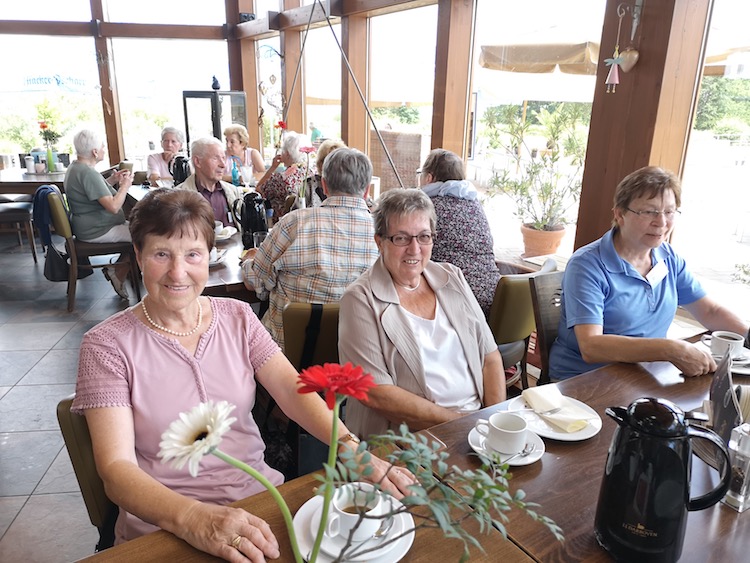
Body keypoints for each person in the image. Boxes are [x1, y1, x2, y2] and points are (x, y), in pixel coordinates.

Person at [71, 189, 413, 559]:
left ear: (209, 256)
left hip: (258, 502)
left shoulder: (237, 316)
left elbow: (291, 390)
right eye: (161, 254)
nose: (178, 272)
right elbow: (116, 469)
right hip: (164, 525)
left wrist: (351, 448)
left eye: (192, 254)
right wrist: (194, 519)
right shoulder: (105, 345)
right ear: (138, 256)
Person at [550, 166, 750, 380]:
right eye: (649, 212)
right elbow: (591, 346)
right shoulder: (587, 265)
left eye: (669, 212)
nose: (661, 222)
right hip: (585, 380)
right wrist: (670, 349)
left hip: (645, 375)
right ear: (620, 214)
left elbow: (709, 311)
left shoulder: (668, 257)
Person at [338, 189, 506, 440]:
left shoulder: (452, 278)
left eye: (424, 237)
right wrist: (463, 426)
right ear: (379, 242)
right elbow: (377, 393)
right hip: (408, 441)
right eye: (401, 238)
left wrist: (494, 422)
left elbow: (489, 358)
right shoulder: (360, 299)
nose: (414, 249)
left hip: (477, 427)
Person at [243, 148, 378, 350]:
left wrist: (248, 261)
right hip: (354, 356)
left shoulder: (294, 223)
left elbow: (256, 282)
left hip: (282, 357)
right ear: (367, 190)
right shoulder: (384, 234)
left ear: (324, 185)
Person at [419, 148, 500, 317]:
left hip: (455, 302)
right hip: (494, 301)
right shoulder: (475, 204)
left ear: (429, 178)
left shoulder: (427, 208)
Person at [64, 129, 134, 299]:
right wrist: (125, 186)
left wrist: (113, 180)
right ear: (95, 152)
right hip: (97, 230)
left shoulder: (75, 168)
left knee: (143, 231)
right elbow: (114, 207)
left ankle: (117, 269)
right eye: (102, 147)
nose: (104, 149)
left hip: (88, 227)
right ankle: (118, 271)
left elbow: (91, 192)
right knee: (147, 236)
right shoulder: (88, 173)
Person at [175, 137, 241, 227]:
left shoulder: (234, 192)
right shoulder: (178, 197)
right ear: (197, 162)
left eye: (223, 158)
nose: (223, 165)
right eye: (215, 158)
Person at [255, 131, 312, 219]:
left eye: (282, 151)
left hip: (285, 222)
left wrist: (273, 167)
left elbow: (258, 189)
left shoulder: (280, 179)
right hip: (308, 220)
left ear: (287, 154)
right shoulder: (311, 173)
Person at [308, 138, 347, 205]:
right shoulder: (309, 184)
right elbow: (296, 209)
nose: (333, 166)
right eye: (328, 161)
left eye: (338, 162)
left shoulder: (350, 185)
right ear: (320, 164)